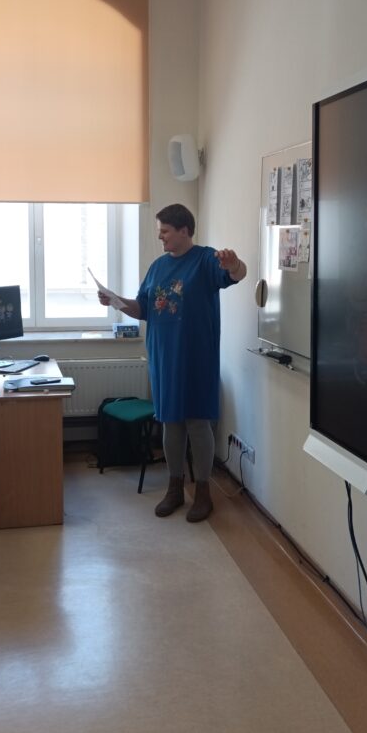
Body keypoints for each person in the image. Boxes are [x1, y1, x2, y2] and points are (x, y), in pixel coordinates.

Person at [98, 203, 246, 522]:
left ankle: (203, 492)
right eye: (159, 231)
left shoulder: (206, 260)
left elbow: (236, 274)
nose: (160, 237)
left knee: (197, 422)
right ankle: (175, 488)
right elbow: (144, 308)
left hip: (196, 358)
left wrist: (235, 264)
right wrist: (116, 302)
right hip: (163, 358)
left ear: (184, 230)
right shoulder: (157, 267)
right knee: (170, 422)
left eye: (165, 231)